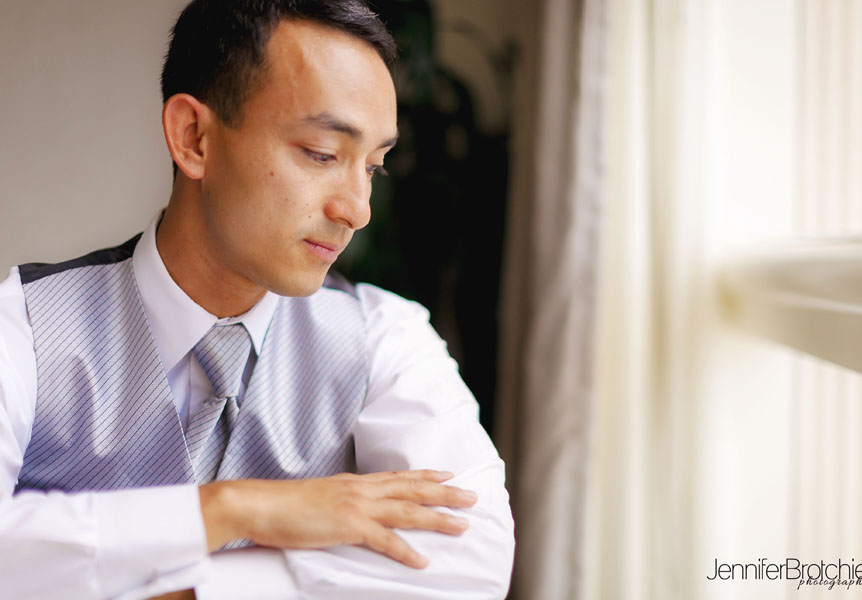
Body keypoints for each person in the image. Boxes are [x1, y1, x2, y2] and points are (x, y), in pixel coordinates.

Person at [0, 1, 515, 598]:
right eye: (322, 154)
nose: (357, 209)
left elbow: (470, 556)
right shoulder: (23, 327)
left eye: (373, 168)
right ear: (194, 138)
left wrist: (181, 587)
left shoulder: (386, 339)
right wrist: (236, 509)